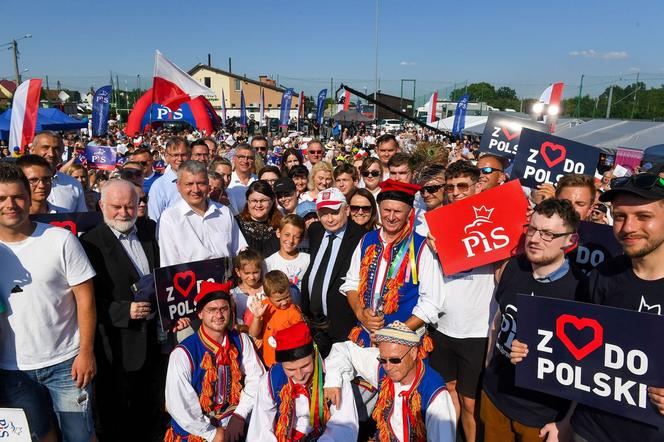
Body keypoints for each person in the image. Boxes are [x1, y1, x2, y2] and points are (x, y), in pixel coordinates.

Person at [0, 162, 97, 441]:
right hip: (13, 370)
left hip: (67, 364)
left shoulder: (60, 239)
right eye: (2, 198)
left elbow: (86, 298)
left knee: (81, 436)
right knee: (39, 437)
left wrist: (86, 352)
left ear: (29, 198)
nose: (11, 205)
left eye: (18, 197)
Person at [565, 173, 664, 441]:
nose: (629, 227)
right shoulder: (603, 275)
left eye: (643, 216)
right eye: (620, 216)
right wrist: (566, 420)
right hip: (589, 428)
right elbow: (581, 356)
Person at [481, 199, 585, 442]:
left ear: (571, 240)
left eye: (548, 234)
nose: (535, 239)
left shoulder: (581, 291)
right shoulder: (514, 268)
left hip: (542, 416)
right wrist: (488, 368)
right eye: (532, 228)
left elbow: (585, 365)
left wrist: (566, 421)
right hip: (495, 399)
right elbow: (499, 319)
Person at [79, 179, 166, 441]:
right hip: (115, 345)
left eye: (130, 206)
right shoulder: (89, 243)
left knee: (151, 406)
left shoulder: (151, 230)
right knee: (116, 415)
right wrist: (123, 311)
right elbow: (85, 301)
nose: (123, 213)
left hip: (154, 339)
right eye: (116, 207)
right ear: (101, 205)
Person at [342, 179, 444, 348]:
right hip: (366, 337)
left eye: (397, 211)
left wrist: (393, 334)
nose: (390, 217)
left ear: (409, 212)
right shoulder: (367, 240)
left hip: (403, 344)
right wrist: (361, 314)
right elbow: (352, 283)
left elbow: (431, 302)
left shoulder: (421, 248)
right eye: (386, 210)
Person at [164, 281, 265, 442]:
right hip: (196, 426)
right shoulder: (183, 353)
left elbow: (257, 379)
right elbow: (180, 404)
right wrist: (211, 433)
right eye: (212, 310)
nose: (219, 315)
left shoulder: (241, 339)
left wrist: (240, 415)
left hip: (233, 416)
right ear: (200, 314)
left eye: (224, 309)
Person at [324, 321, 456, 442]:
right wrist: (333, 381)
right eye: (383, 360)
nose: (388, 367)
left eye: (395, 360)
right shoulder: (383, 367)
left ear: (414, 353)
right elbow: (344, 350)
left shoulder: (435, 395)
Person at [247, 321, 359, 440]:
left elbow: (343, 426)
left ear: (314, 355)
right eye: (291, 369)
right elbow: (261, 426)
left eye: (305, 366)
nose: (300, 376)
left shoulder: (334, 377)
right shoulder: (271, 379)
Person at [301, 187, 365, 356]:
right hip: (313, 322)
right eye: (323, 213)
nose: (329, 219)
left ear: (347, 210)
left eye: (334, 212)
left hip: (343, 325)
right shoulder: (315, 230)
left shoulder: (362, 237)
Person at [159, 160, 247, 266]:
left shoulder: (224, 212)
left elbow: (239, 251)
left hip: (226, 279)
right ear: (178, 186)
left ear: (208, 185)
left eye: (201, 183)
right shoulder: (170, 218)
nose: (195, 189)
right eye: (189, 184)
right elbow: (169, 263)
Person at [248, 270, 304, 367]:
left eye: (287, 297)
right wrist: (257, 317)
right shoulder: (264, 307)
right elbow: (253, 333)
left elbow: (300, 341)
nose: (284, 302)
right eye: (279, 300)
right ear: (268, 296)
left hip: (287, 363)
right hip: (268, 361)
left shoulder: (294, 313)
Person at [29, 131, 88, 212]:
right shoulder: (20, 182)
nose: (51, 154)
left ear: (62, 152)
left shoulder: (74, 184)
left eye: (56, 149)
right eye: (45, 147)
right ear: (32, 150)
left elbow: (81, 220)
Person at [148, 137, 191, 222]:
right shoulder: (159, 186)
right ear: (167, 157)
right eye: (175, 155)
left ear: (189, 155)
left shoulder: (199, 181)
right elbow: (154, 220)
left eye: (183, 155)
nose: (180, 159)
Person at [235, 180, 282, 257]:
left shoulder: (280, 225)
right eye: (254, 201)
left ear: (273, 200)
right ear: (247, 201)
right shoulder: (237, 224)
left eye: (263, 200)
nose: (258, 205)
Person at [265, 214, 310, 291]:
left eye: (296, 237)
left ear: (301, 239)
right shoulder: (268, 263)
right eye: (287, 235)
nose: (291, 240)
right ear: (278, 233)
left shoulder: (308, 260)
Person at [227, 143, 258, 211]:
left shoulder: (258, 180)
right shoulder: (227, 181)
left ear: (254, 160)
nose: (245, 161)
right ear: (234, 159)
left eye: (249, 158)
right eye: (241, 157)